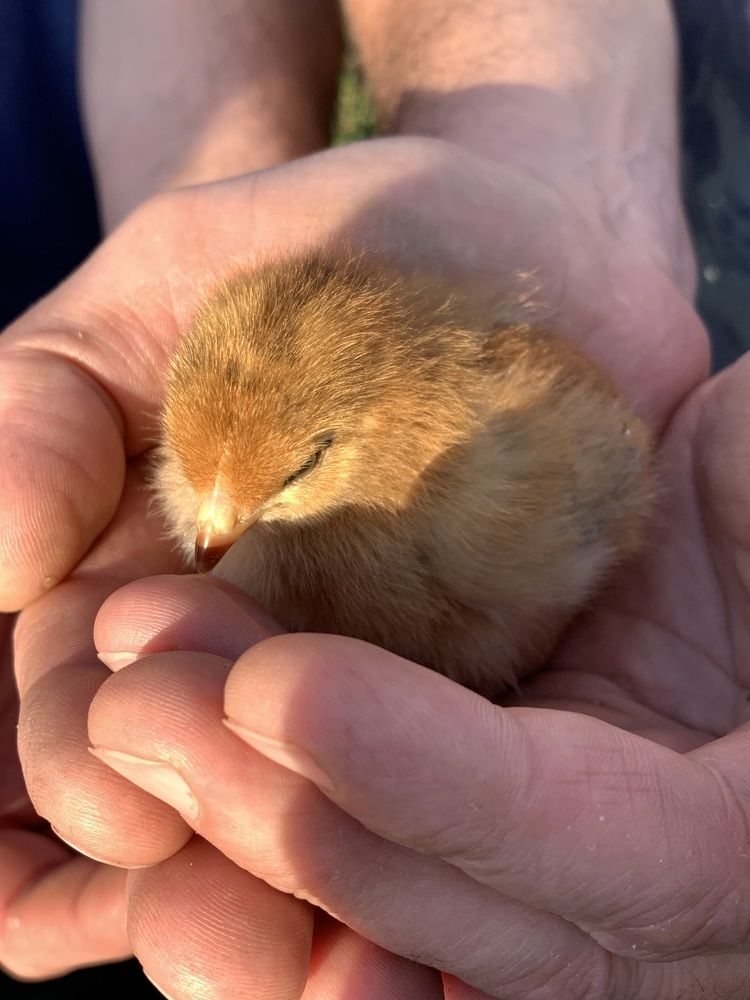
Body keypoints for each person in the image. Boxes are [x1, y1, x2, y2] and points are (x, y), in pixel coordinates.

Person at [1, 1, 748, 997]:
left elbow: (615, 479)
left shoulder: (510, 457)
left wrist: (562, 172)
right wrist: (206, 182)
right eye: (193, 468)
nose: (210, 536)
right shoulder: (241, 461)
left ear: (362, 433)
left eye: (284, 480)